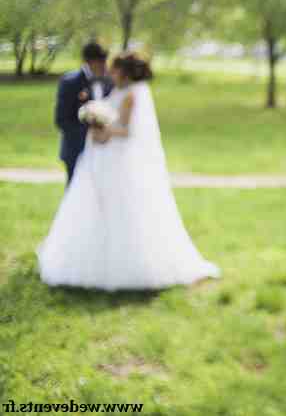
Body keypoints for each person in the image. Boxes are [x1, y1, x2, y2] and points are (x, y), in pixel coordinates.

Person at [38, 53, 220, 291]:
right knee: (97, 203)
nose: (110, 73)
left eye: (114, 70)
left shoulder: (132, 94)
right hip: (104, 156)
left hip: (120, 160)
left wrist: (104, 132)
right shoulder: (118, 91)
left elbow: (127, 130)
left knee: (122, 206)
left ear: (123, 72)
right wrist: (98, 126)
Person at [55, 41, 114, 184]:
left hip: (105, 150)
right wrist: (90, 133)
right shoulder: (70, 82)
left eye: (104, 61)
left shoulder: (110, 81)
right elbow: (61, 120)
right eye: (100, 62)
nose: (104, 65)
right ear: (89, 62)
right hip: (76, 150)